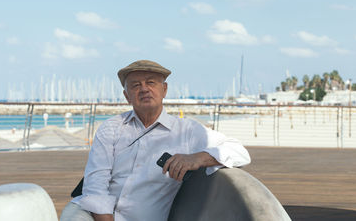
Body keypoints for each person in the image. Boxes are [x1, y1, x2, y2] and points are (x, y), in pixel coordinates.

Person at [70, 60, 251, 221]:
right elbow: (95, 187)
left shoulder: (187, 130)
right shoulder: (111, 128)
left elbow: (239, 151)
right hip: (92, 214)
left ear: (164, 90)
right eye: (135, 85)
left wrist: (198, 158)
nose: (144, 89)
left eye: (151, 82)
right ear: (127, 96)